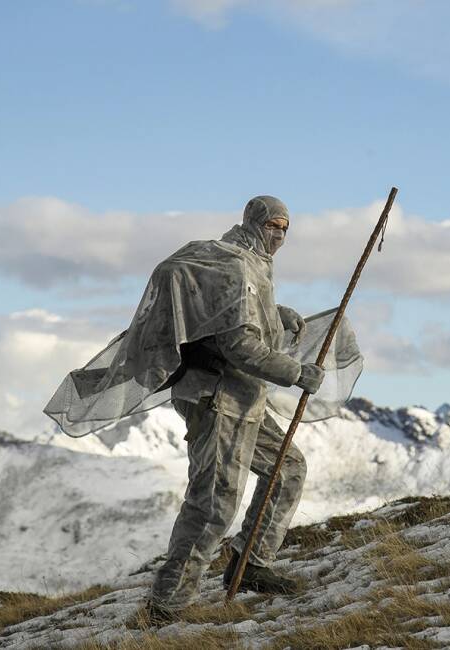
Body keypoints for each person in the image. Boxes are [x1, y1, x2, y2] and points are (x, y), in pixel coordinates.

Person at [140, 196, 325, 623]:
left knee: (286, 468)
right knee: (213, 504)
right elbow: (238, 344)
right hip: (218, 397)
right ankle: (165, 607)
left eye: (285, 227)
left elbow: (223, 313)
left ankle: (252, 562)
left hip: (243, 397)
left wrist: (276, 314)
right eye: (273, 225)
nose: (279, 234)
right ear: (254, 222)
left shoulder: (250, 261)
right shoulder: (237, 263)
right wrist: (295, 372)